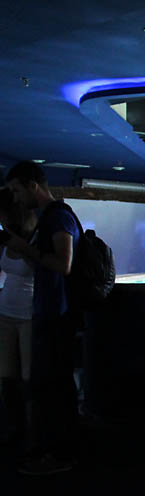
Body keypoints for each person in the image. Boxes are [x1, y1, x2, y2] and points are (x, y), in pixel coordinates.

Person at [4, 161, 81, 475]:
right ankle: (54, 450)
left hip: (56, 313)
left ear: (32, 185)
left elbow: (64, 265)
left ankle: (59, 453)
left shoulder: (58, 217)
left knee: (54, 386)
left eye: (16, 190)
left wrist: (25, 249)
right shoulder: (51, 217)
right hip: (48, 311)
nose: (15, 197)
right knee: (50, 384)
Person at [0, 188, 36, 445]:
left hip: (28, 315)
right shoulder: (5, 241)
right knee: (6, 375)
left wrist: (22, 248)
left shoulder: (32, 242)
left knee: (27, 376)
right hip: (5, 313)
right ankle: (13, 427)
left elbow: (41, 267)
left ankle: (32, 430)